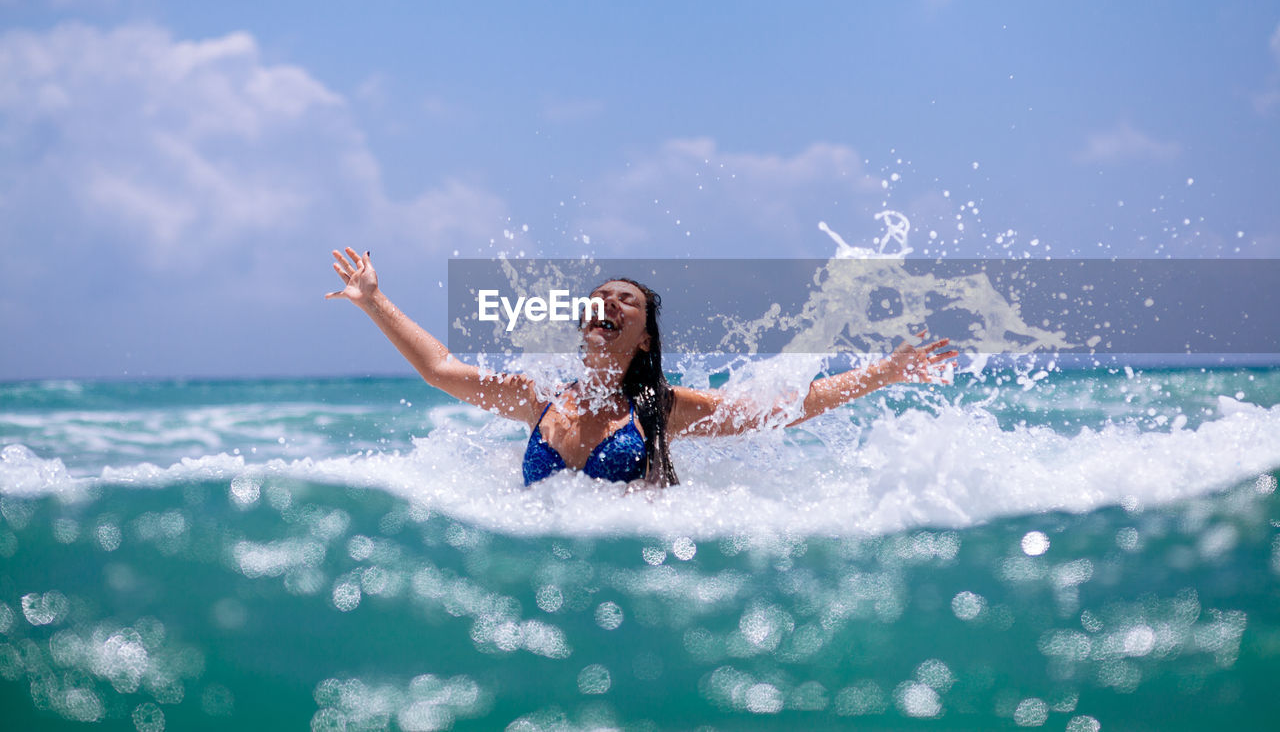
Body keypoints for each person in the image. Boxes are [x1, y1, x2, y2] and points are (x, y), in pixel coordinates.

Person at [327, 247, 956, 488]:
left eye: (624, 301)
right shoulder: (538, 397)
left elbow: (779, 413)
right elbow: (439, 368)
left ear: (645, 339)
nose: (607, 303)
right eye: (599, 298)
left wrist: (884, 372)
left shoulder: (660, 407)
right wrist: (373, 299)